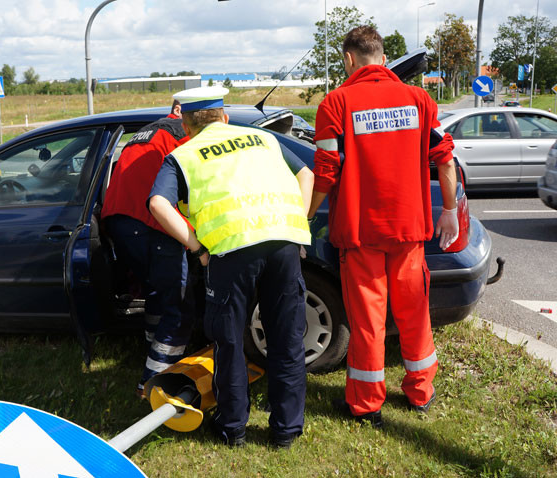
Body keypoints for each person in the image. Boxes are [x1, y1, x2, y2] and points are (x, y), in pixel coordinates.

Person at [309, 26, 459, 428]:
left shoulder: (336, 103)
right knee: (414, 313)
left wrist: (305, 213)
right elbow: (445, 159)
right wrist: (448, 209)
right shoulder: (419, 100)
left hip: (361, 234)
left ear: (349, 59)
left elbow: (325, 171)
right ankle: (420, 392)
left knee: (367, 320)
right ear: (381, 55)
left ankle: (365, 403)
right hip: (410, 230)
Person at [148, 86, 314, 448]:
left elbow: (158, 204)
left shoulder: (183, 154)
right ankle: (286, 431)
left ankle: (232, 428)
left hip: (231, 251)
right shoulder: (262, 138)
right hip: (284, 243)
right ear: (224, 116)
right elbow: (307, 175)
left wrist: (196, 248)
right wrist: (298, 228)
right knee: (286, 339)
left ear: (185, 123)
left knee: (230, 341)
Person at [101, 99, 192, 398]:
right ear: (182, 112)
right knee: (176, 306)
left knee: (155, 290)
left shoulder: (144, 132)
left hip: (118, 223)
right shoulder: (183, 133)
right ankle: (153, 382)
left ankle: (153, 346)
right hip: (152, 223)